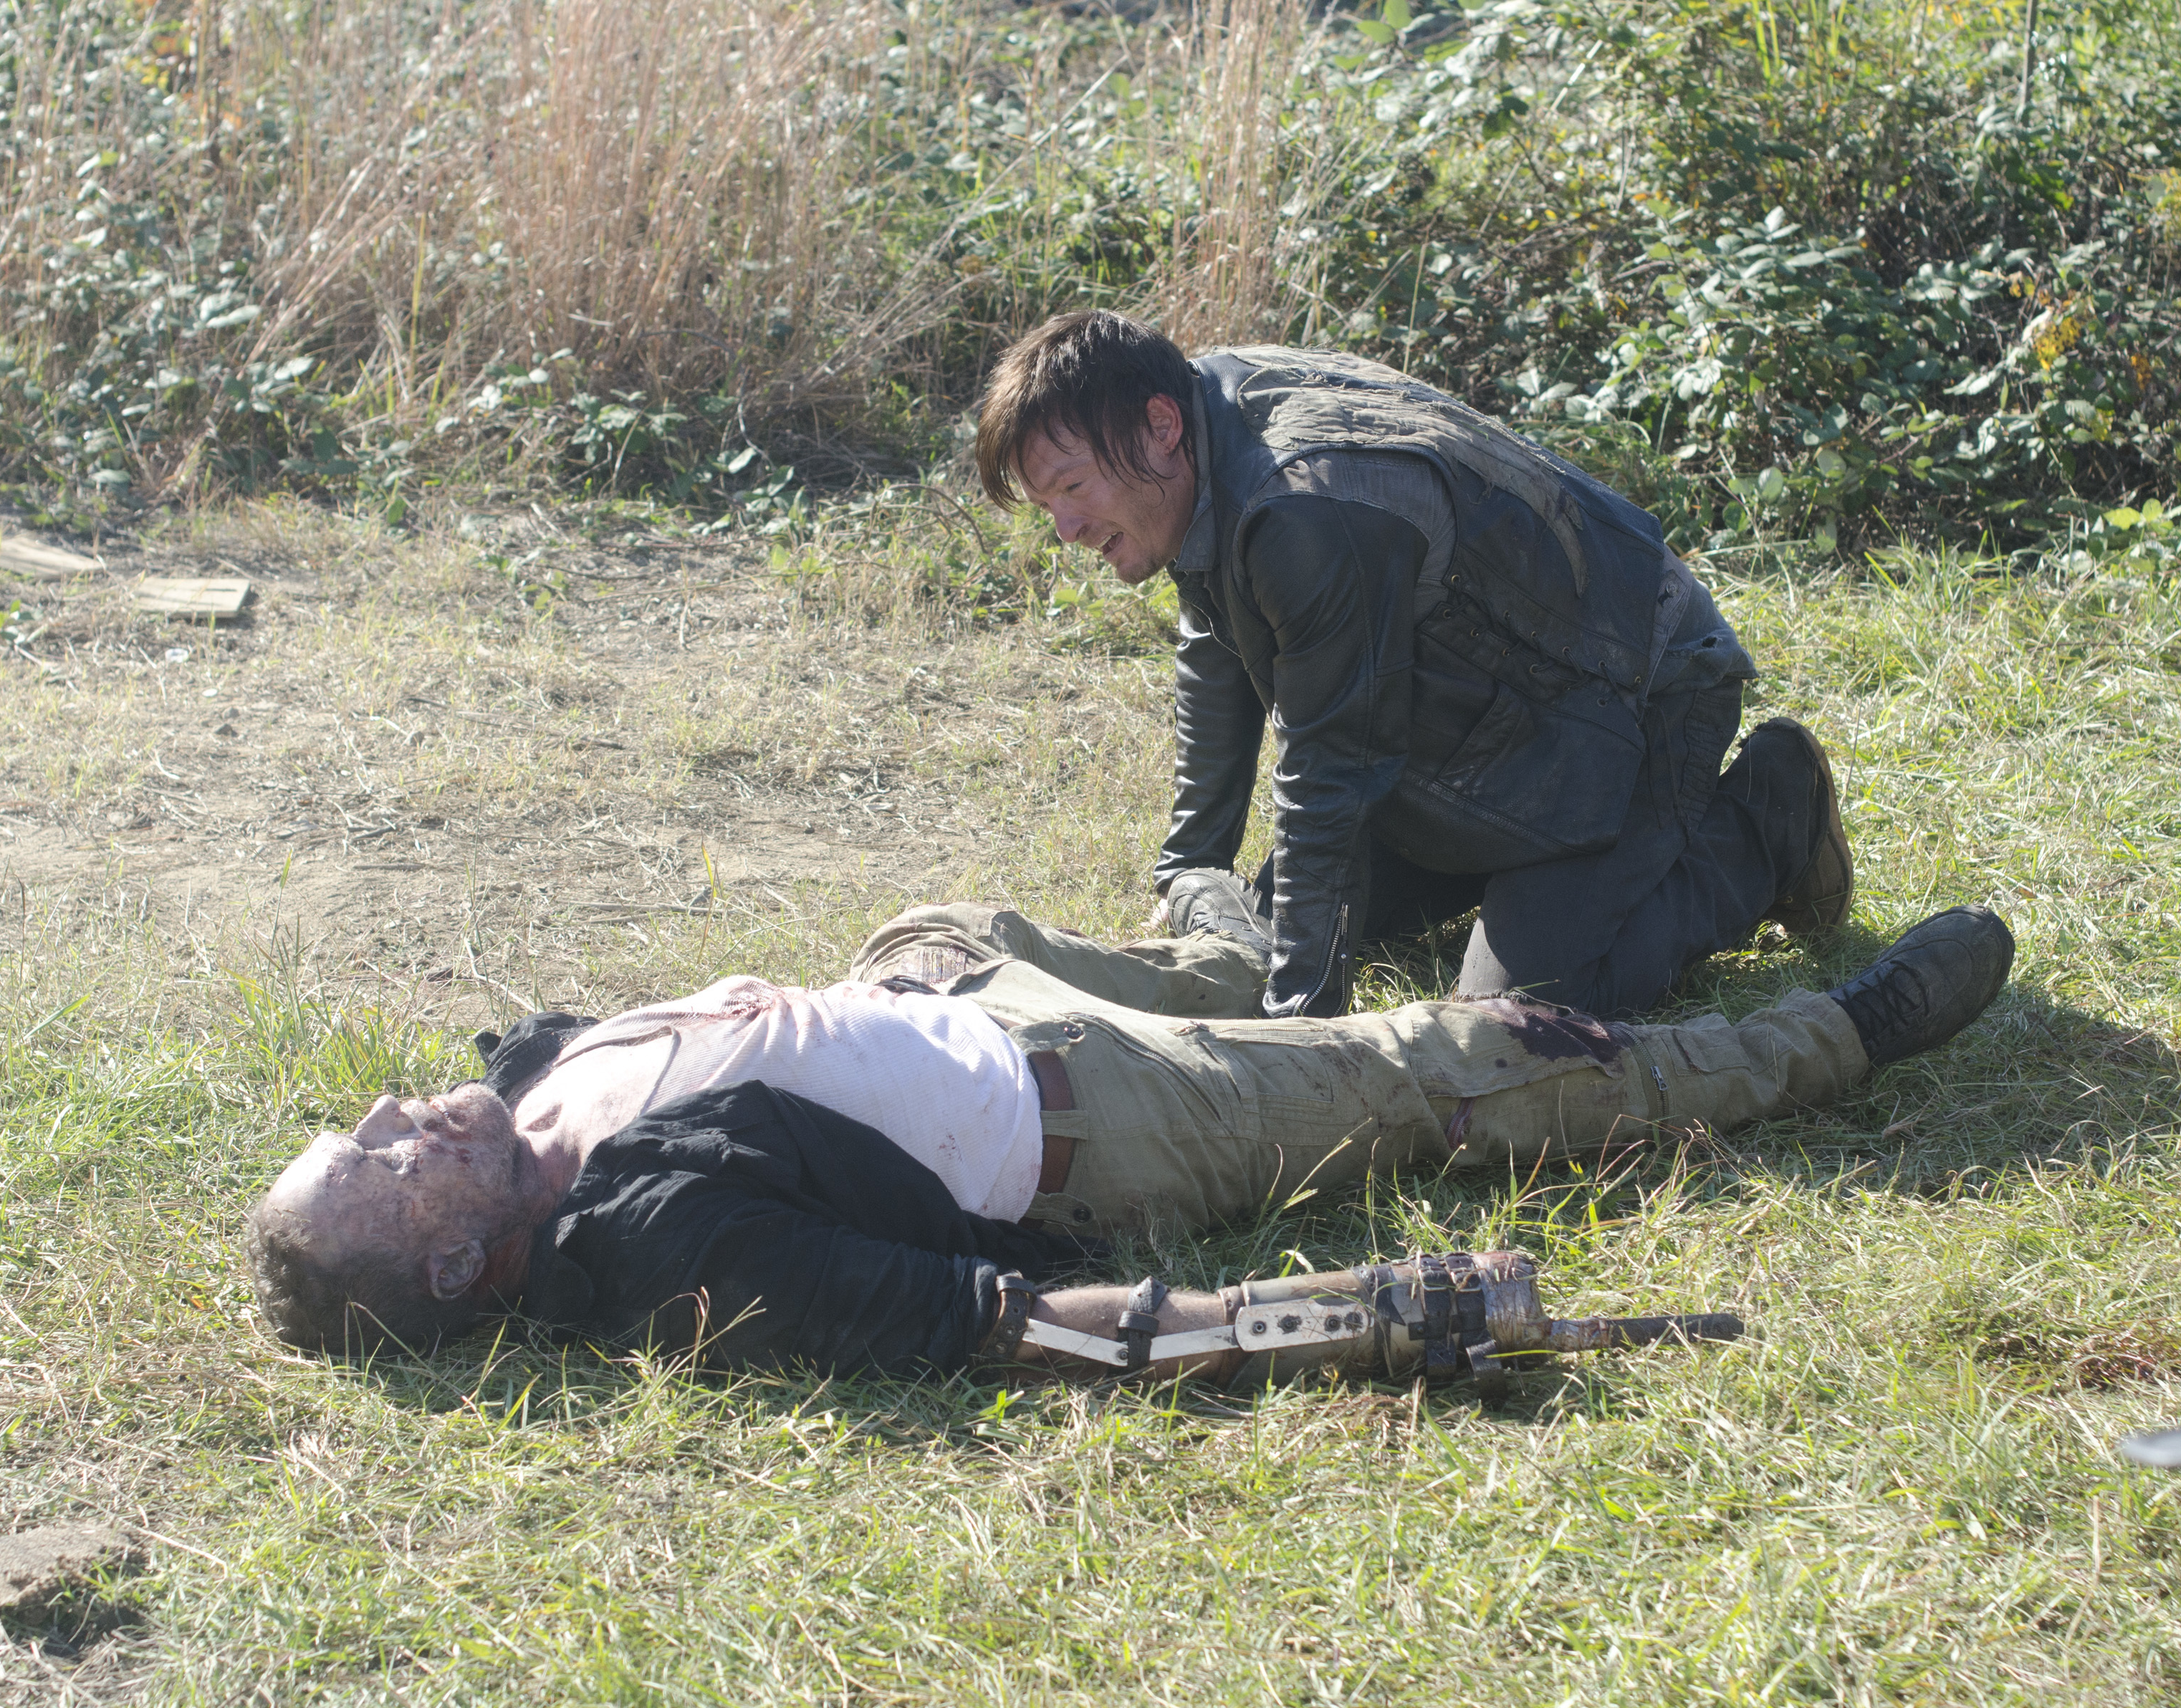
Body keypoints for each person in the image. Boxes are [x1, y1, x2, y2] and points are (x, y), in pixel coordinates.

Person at [246, 898, 2013, 1380]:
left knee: (973, 918)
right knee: (1464, 1057)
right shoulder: (664, 1253)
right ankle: (1831, 1039)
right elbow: (993, 1324)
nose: (395, 1114)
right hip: (1109, 1113)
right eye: (384, 1167)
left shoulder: (521, 1097)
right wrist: (1343, 1314)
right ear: (460, 1263)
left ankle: (1232, 945)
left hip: (963, 984)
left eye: (365, 1124)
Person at [975, 310, 1848, 1022]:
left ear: (1160, 427)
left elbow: (1331, 773)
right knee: (1278, 923)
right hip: (1476, 728)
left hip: (1634, 695)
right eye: (1048, 503)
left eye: (1072, 488)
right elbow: (1218, 637)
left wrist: (1300, 1035)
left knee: (1520, 1015)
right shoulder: (1186, 428)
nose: (1066, 529)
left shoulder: (1301, 508)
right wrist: (1191, 865)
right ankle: (1521, 871)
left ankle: (1772, 813)